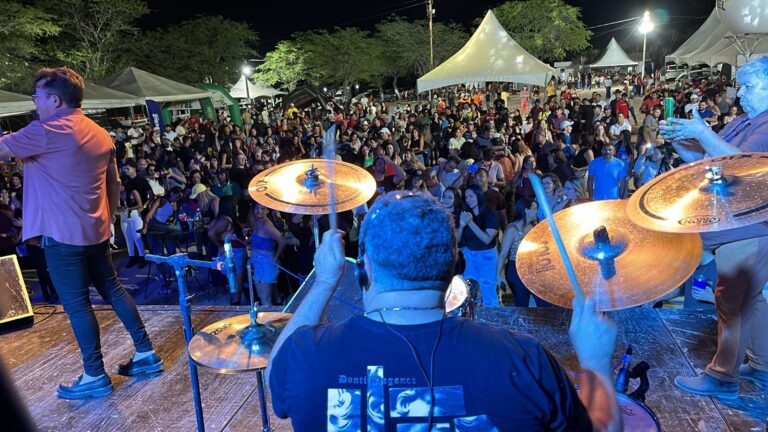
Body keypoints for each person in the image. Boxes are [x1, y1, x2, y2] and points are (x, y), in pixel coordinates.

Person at [266, 192, 619, 431]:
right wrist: (595, 361)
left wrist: (325, 281)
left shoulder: (305, 357)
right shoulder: (524, 359)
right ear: (453, 266)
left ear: (364, 269)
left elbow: (275, 377)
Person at [0, 68, 162, 399]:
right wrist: (107, 220)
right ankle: (146, 353)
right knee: (113, 289)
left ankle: (94, 374)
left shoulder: (45, 130)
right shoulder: (99, 133)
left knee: (77, 304)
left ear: (54, 100)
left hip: (61, 236)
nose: (34, 102)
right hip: (96, 231)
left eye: (37, 96)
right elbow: (114, 184)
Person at [662, 56, 768, 398]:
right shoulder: (744, 121)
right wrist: (680, 139)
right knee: (752, 298)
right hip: (732, 223)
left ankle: (722, 379)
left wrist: (702, 132)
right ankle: (763, 365)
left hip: (750, 226)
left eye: (749, 86)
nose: (741, 94)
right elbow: (707, 160)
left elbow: (740, 166)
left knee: (732, 302)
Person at [498, 198, 552, 307]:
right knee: (522, 304)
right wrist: (498, 275)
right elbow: (503, 254)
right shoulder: (512, 229)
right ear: (526, 210)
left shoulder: (534, 226)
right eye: (534, 209)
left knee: (544, 302)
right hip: (515, 269)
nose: (537, 212)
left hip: (533, 267)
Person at [457, 185, 500, 307]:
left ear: (479, 195)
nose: (468, 199)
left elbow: (487, 239)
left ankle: (491, 316)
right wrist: (462, 225)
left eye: (471, 196)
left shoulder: (490, 213)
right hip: (469, 255)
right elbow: (458, 240)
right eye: (466, 197)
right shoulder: (466, 214)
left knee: (488, 289)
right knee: (469, 290)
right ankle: (472, 316)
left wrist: (470, 223)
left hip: (486, 256)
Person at [248, 202, 285, 306]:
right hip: (258, 262)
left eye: (262, 209)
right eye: (257, 208)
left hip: (265, 264)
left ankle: (268, 317)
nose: (259, 211)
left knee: (265, 299)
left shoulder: (266, 226)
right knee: (265, 297)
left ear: (267, 211)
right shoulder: (257, 222)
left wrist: (276, 257)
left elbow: (282, 241)